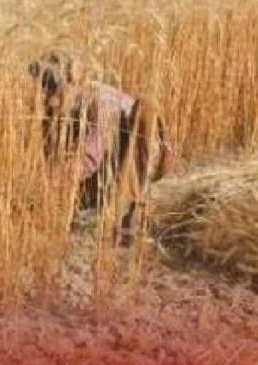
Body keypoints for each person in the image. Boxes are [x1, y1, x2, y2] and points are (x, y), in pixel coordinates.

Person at [27, 49, 177, 244]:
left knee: (146, 107)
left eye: (53, 88)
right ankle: (83, 203)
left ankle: (128, 210)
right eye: (43, 88)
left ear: (73, 83)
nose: (48, 98)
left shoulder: (101, 103)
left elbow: (89, 158)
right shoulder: (61, 106)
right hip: (104, 167)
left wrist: (46, 187)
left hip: (138, 161)